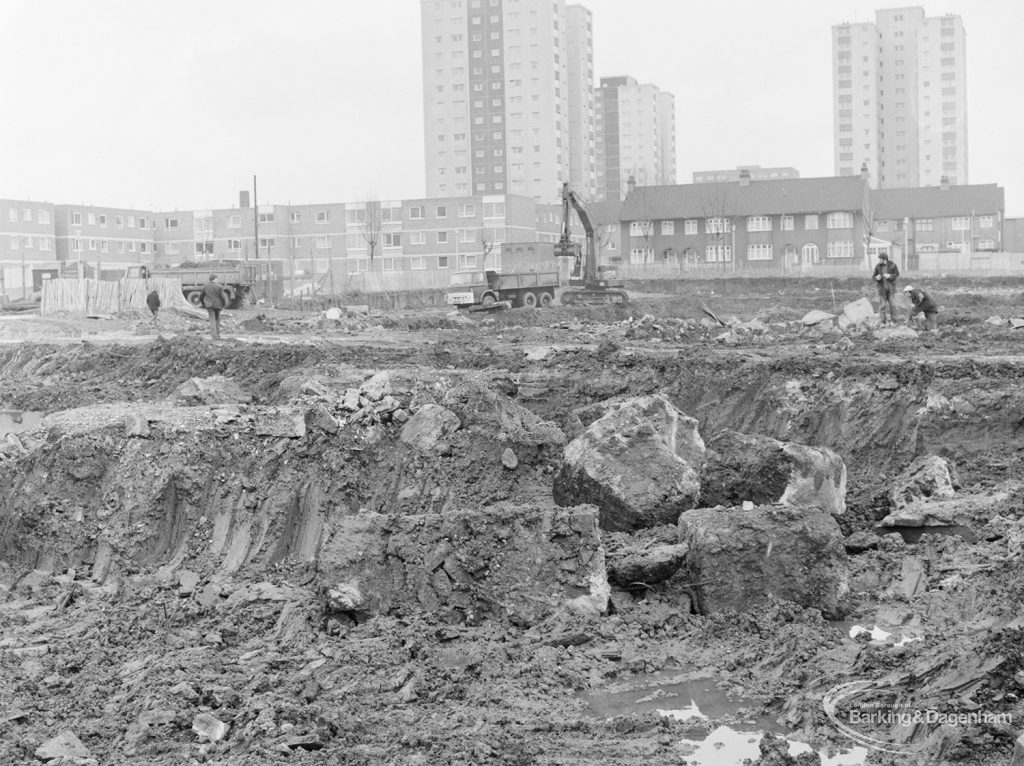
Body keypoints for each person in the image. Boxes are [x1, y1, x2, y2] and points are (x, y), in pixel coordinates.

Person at [872, 253, 900, 324]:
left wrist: (890, 276)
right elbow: (873, 277)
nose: (879, 260)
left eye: (880, 259)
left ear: (884, 259)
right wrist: (876, 277)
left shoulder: (892, 265)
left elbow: (897, 274)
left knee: (893, 306)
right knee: (882, 307)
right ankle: (883, 322)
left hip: (891, 290)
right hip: (882, 290)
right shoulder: (878, 266)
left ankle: (894, 322)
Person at [200, 274, 227, 339]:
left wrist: (203, 303)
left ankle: (214, 335)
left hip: (209, 305)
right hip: (218, 305)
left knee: (212, 319)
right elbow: (223, 297)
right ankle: (218, 334)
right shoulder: (220, 286)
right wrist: (223, 304)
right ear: (215, 279)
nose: (217, 279)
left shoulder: (205, 286)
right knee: (217, 319)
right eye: (216, 278)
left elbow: (201, 296)